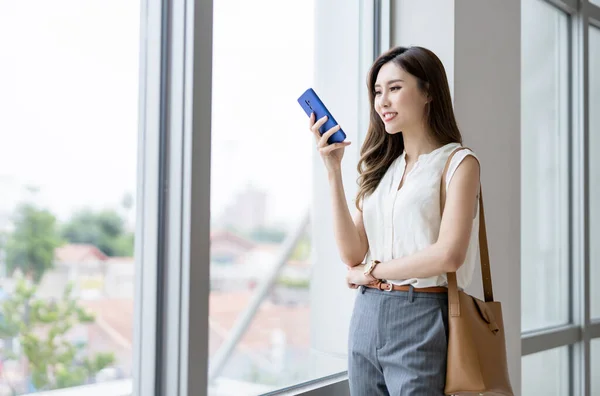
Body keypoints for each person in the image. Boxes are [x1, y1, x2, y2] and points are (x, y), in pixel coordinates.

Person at [308, 46, 481, 395]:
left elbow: (449, 255)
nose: (382, 101)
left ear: (428, 91)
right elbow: (352, 253)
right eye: (377, 91)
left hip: (423, 315)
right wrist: (333, 170)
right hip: (366, 316)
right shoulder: (383, 168)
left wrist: (372, 273)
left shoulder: (459, 163)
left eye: (395, 88)